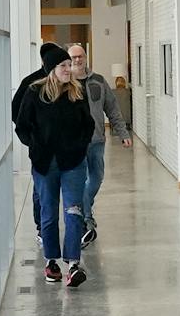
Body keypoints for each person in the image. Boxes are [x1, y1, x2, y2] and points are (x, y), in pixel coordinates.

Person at [15, 49, 93, 286]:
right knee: (48, 213)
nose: (69, 69)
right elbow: (22, 126)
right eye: (63, 66)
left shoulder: (77, 92)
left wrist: (80, 146)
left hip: (73, 164)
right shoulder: (34, 92)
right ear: (52, 70)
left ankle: (73, 264)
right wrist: (35, 146)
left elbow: (88, 125)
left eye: (69, 65)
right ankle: (51, 262)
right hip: (45, 164)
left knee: (73, 211)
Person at [65, 43, 130, 247]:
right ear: (68, 60)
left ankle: (85, 211)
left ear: (86, 57)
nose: (77, 60)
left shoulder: (99, 81)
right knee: (79, 181)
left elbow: (112, 108)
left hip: (96, 140)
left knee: (96, 178)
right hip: (74, 143)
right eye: (73, 57)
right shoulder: (64, 83)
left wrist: (123, 133)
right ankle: (86, 219)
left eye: (80, 56)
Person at [12, 42, 67, 239]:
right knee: (41, 190)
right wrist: (33, 140)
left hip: (67, 150)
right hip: (42, 151)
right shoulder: (31, 83)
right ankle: (41, 227)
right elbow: (16, 112)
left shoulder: (67, 82)